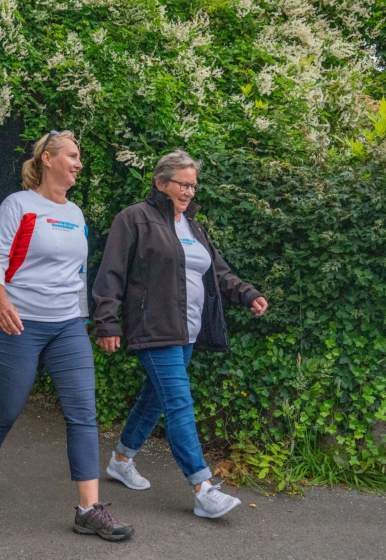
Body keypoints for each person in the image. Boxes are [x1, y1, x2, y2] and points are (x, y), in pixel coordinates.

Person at [0, 130, 133, 542]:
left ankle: (88, 510)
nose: (79, 164)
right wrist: (0, 298)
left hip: (66, 327)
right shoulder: (18, 205)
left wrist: (81, 321)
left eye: (79, 158)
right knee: (8, 407)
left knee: (82, 411)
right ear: (47, 158)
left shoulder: (76, 214)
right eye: (73, 156)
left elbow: (78, 275)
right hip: (17, 323)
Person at [92, 149, 269, 519]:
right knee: (178, 402)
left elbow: (216, 272)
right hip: (154, 327)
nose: (189, 192)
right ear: (161, 183)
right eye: (183, 184)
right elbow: (111, 273)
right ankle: (203, 489)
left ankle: (121, 460)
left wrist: (248, 293)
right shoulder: (135, 219)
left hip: (188, 330)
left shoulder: (193, 226)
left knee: (154, 398)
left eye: (193, 185)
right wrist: (106, 322)